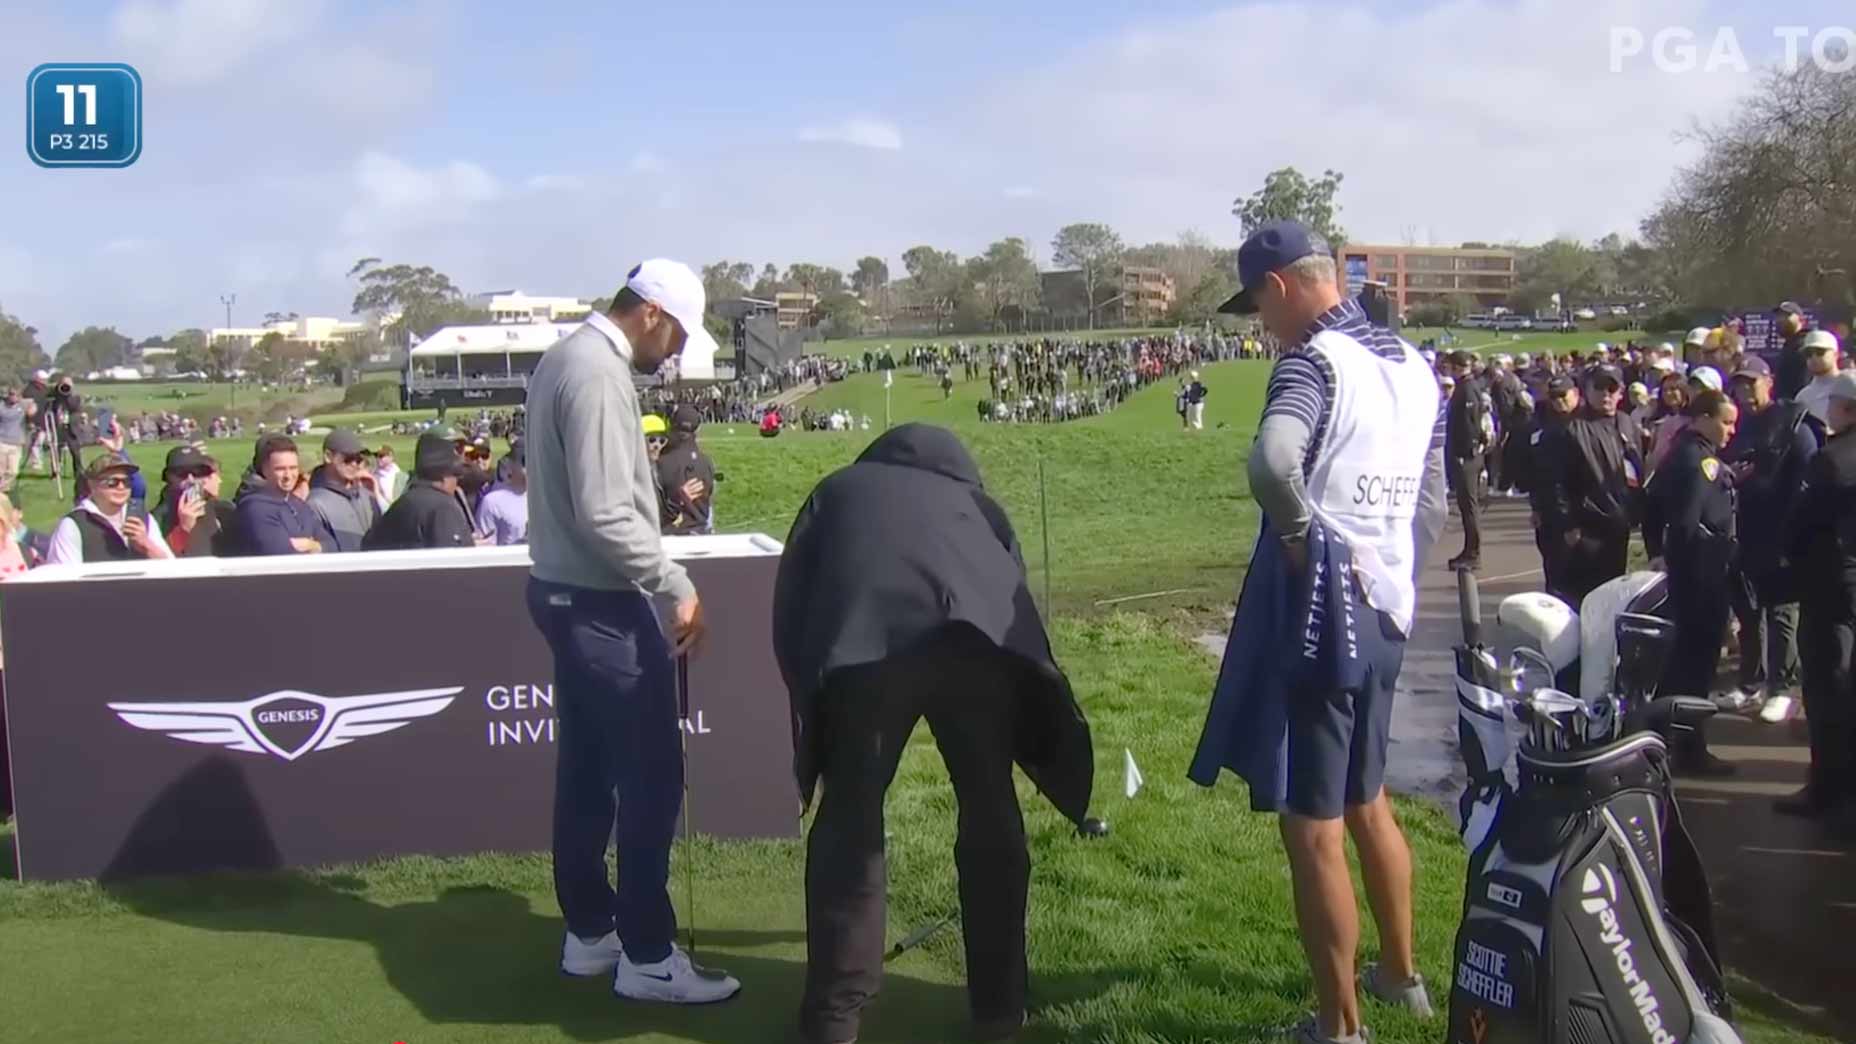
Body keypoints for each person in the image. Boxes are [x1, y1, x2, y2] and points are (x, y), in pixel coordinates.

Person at [1192, 222, 1446, 1044]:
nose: (1261, 327)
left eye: (1258, 307)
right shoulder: (1414, 365)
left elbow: (1271, 464)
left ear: (1279, 287)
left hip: (1323, 611)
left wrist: (1304, 540)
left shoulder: (1309, 361)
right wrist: (1386, 568)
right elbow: (1431, 504)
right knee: (1369, 796)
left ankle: (1340, 1028)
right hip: (1388, 608)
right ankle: (1402, 976)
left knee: (1312, 823)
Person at [773, 423, 1093, 1044]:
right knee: (989, 803)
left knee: (851, 815)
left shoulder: (837, 491)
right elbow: (1012, 589)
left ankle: (833, 1019)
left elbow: (794, 601)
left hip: (866, 653)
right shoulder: (979, 504)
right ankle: (1001, 1006)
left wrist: (812, 698)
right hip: (975, 647)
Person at [522, 259, 737, 1004]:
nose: (672, 351)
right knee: (651, 775)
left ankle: (591, 932)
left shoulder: (562, 359)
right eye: (674, 332)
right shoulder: (600, 373)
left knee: (586, 770)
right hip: (600, 601)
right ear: (650, 312)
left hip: (561, 592)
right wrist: (677, 586)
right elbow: (608, 513)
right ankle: (645, 955)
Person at [1642, 390, 1740, 776]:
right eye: (1725, 421)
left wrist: (1656, 551)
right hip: (1701, 578)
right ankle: (1689, 748)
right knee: (1695, 668)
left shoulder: (1680, 453)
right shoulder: (1701, 462)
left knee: (1681, 665)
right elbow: (1686, 524)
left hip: (1692, 576)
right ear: (1701, 418)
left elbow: (1650, 506)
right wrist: (1693, 570)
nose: (1731, 430)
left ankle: (1667, 742)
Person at [1721, 355, 1819, 722]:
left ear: (1769, 382)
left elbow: (1806, 482)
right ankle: (1752, 682)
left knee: (1781, 613)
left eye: (1752, 383)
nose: (1745, 392)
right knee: (1749, 613)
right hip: (1742, 532)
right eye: (1739, 386)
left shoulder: (1794, 426)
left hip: (1780, 534)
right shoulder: (1738, 425)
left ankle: (1781, 687)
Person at [1781, 370, 1856, 836]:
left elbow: (1800, 526)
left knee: (1829, 689)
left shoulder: (1832, 462)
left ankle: (1828, 790)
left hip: (1831, 586)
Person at [1533, 365, 1642, 609]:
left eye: (1612, 388)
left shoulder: (1626, 423)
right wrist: (1568, 524)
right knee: (1585, 598)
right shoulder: (1570, 429)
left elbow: (1636, 469)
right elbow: (1554, 482)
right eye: (1599, 387)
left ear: (1621, 392)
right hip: (1587, 528)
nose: (1606, 394)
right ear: (1586, 391)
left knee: (1614, 597)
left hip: (1620, 524)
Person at [45, 453, 174, 564]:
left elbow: (171, 569)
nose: (121, 487)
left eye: (127, 482)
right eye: (113, 482)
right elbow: (64, 578)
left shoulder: (144, 519)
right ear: (92, 485)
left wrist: (146, 545)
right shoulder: (74, 524)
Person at [363, 431, 479, 551]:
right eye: (457, 449)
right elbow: (453, 563)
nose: (462, 456)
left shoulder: (407, 500)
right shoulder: (441, 507)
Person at [233, 436, 330, 556]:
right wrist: (316, 545)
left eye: (293, 468)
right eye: (280, 469)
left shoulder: (299, 504)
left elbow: (332, 546)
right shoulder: (256, 509)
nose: (288, 475)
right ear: (264, 470)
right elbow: (283, 557)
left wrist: (310, 545)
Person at [1444, 351, 1490, 571]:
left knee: (1469, 505)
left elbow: (1470, 424)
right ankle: (1469, 549)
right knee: (1466, 505)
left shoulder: (1467, 389)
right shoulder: (1467, 387)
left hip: (1467, 455)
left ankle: (1473, 551)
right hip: (1465, 452)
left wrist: (1466, 451)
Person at [306, 429, 382, 553]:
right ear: (328, 457)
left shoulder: (367, 496)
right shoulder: (315, 503)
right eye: (348, 459)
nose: (355, 464)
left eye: (359, 460)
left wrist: (376, 495)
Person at [156, 445, 233, 558]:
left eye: (197, 472)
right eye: (182, 473)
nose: (191, 480)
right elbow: (161, 563)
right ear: (169, 477)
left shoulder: (219, 509)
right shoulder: (159, 517)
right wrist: (183, 529)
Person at [656, 405, 716, 536]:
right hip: (701, 534)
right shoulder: (706, 462)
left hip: (670, 536)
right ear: (697, 430)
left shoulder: (660, 463)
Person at [476, 443, 529, 546]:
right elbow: (486, 547)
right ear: (509, 465)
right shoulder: (493, 502)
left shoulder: (550, 499)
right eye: (525, 462)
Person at [1793, 330, 1844, 426]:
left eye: (1820, 352)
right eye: (1808, 353)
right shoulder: (1803, 397)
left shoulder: (1851, 385)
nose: (1814, 357)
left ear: (1836, 354)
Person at [1774, 300, 1816, 401]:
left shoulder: (1806, 344)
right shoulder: (1789, 345)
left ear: (1801, 320)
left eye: (1786, 315)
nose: (1780, 320)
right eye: (1778, 316)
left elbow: (1804, 382)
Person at [0, 387, 35, 493]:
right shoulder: (2, 406)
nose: (13, 397)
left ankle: (2, 489)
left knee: (13, 471)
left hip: (16, 443)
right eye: (11, 394)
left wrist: (32, 411)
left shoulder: (22, 406)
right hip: (2, 441)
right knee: (1, 471)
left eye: (15, 395)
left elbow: (33, 403)